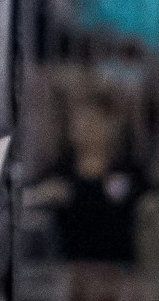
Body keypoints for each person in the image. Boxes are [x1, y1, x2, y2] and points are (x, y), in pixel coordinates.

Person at [26, 90, 144, 265]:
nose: (85, 128)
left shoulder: (127, 171)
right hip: (67, 271)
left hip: (119, 271)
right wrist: (43, 194)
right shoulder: (60, 172)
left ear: (112, 126)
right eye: (79, 121)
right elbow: (28, 197)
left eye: (93, 121)